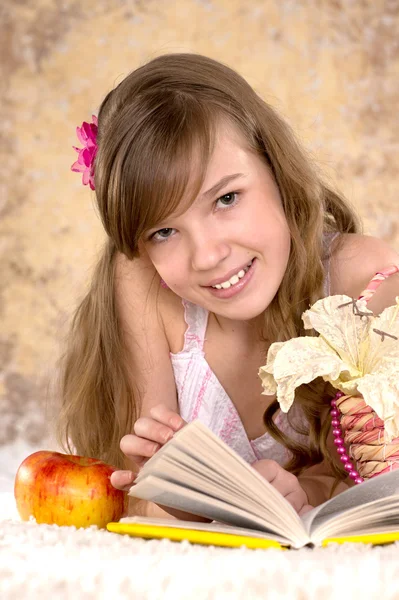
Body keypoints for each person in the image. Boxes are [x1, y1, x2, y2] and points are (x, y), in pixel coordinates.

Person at [59, 53, 399, 519]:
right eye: (164, 231)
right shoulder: (143, 281)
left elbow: (380, 477)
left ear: (276, 169)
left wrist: (310, 494)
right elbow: (146, 493)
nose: (207, 255)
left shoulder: (362, 279)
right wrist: (173, 485)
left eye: (225, 199)